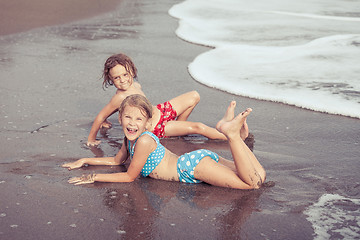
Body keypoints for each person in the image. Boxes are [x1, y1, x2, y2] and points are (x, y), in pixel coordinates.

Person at [63, 95, 265, 190]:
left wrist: (93, 177)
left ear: (148, 123)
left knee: (253, 185)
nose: (132, 124)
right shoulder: (129, 139)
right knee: (259, 176)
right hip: (195, 160)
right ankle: (227, 128)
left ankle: (233, 135)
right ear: (120, 118)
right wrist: (84, 160)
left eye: (139, 119)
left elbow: (129, 177)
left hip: (191, 168)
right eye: (128, 118)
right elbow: (116, 161)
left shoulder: (143, 142)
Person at [87, 53, 249, 146]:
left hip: (161, 110)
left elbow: (109, 115)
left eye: (125, 74)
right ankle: (232, 135)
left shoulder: (135, 85)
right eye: (116, 78)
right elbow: (101, 114)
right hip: (157, 127)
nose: (122, 80)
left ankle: (178, 131)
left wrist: (105, 121)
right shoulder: (120, 97)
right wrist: (91, 139)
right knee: (198, 127)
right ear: (110, 79)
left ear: (132, 71)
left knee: (194, 96)